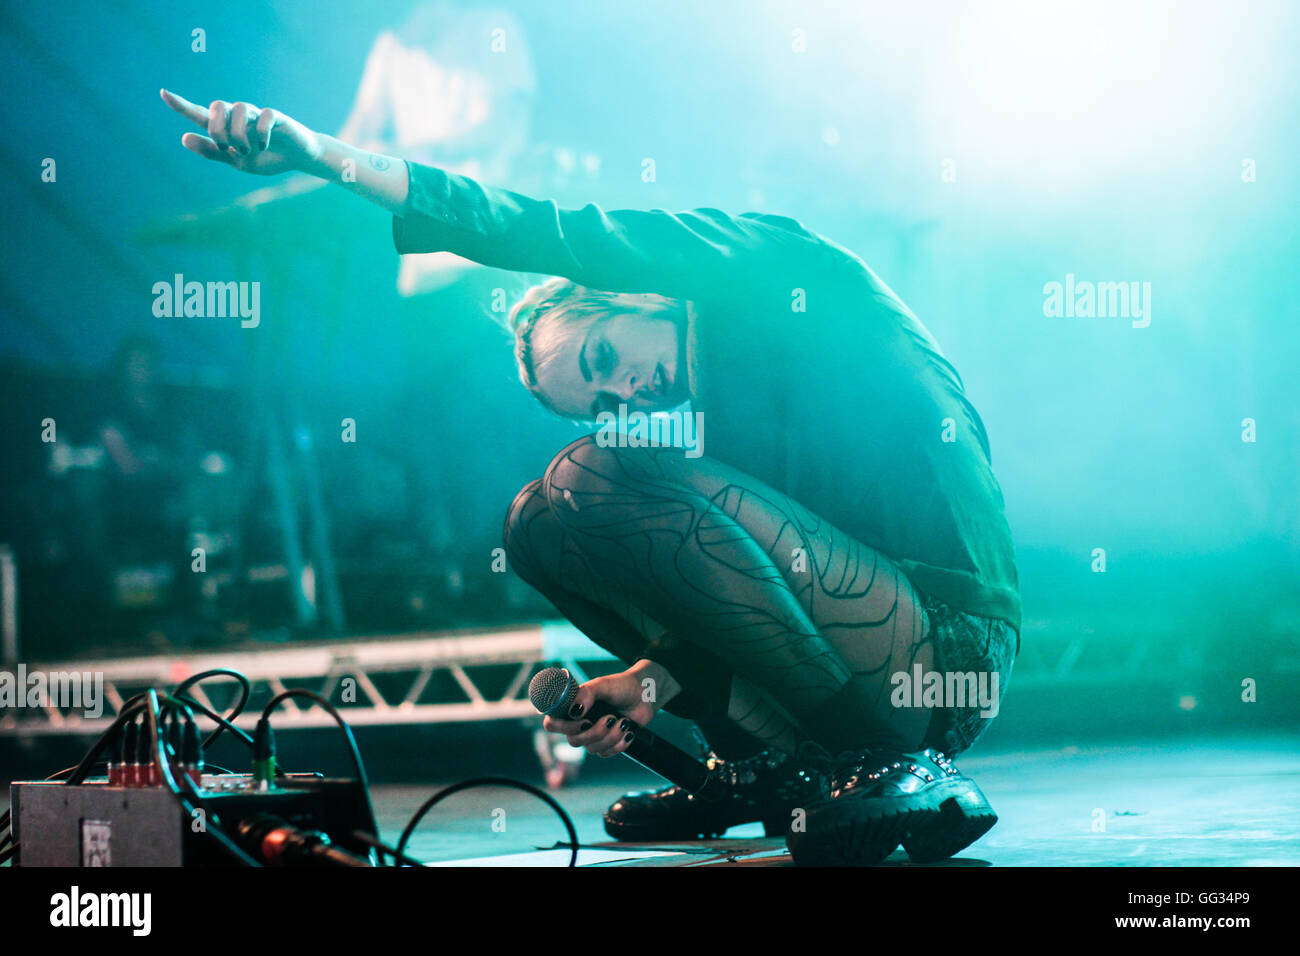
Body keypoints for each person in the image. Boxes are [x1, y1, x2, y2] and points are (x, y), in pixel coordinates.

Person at [160, 88, 1021, 865]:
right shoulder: (717, 418)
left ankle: (889, 761)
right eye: (600, 398)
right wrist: (644, 685)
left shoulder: (762, 268)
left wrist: (323, 157)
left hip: (950, 649)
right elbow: (767, 600)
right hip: (862, 653)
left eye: (607, 357)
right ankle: (769, 767)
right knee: (534, 524)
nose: (625, 393)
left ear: (636, 295)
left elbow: (531, 225)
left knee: (585, 477)